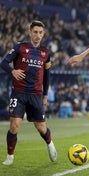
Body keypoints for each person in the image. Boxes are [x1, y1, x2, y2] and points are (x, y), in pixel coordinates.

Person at [0, 20, 57, 165]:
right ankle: (10, 156)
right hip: (18, 93)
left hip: (36, 94)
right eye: (35, 32)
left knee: (41, 127)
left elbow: (47, 75)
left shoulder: (45, 53)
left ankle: (50, 144)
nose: (38, 35)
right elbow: (3, 63)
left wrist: (45, 95)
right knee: (14, 125)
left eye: (40, 33)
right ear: (30, 32)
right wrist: (13, 71)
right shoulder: (20, 47)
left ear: (43, 34)